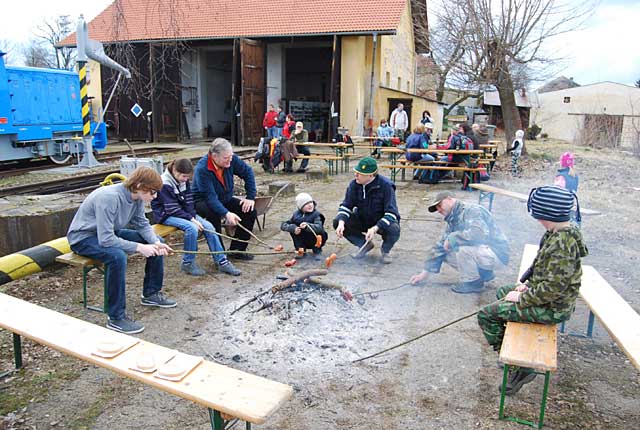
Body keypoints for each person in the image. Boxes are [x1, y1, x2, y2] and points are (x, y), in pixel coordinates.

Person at [477, 185, 587, 394]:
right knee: (503, 293)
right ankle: (515, 350)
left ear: (545, 214)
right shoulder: (558, 232)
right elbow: (546, 271)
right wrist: (526, 285)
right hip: (549, 298)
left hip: (553, 307)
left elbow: (552, 289)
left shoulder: (562, 243)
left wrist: (522, 298)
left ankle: (520, 368)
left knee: (486, 315)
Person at [67, 167, 176, 334]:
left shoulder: (137, 198)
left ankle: (151, 294)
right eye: (153, 192)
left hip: (108, 233)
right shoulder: (109, 197)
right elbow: (106, 240)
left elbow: (142, 224)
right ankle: (116, 317)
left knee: (157, 242)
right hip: (83, 238)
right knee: (117, 257)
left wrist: (154, 242)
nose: (154, 197)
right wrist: (140, 248)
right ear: (140, 185)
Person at [151, 158, 241, 277]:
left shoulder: (183, 180)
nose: (186, 180)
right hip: (166, 214)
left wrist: (193, 215)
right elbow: (172, 209)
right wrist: (192, 219)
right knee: (191, 228)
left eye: (187, 177)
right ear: (174, 170)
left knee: (209, 226)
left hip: (183, 213)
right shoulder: (165, 183)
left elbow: (189, 202)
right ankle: (187, 262)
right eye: (183, 176)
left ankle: (221, 261)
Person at [409, 191, 510, 294]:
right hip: (484, 253)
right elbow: (440, 246)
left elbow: (478, 234)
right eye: (437, 209)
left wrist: (453, 237)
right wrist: (423, 275)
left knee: (462, 249)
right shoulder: (453, 218)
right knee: (445, 251)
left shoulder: (472, 210)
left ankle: (473, 283)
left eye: (439, 205)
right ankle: (483, 273)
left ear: (449, 199)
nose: (438, 210)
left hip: (497, 253)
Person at [192, 138, 258, 260]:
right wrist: (226, 213)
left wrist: (250, 197)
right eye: (226, 158)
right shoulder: (202, 169)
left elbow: (248, 172)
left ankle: (237, 250)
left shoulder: (231, 159)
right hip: (203, 201)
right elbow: (210, 198)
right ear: (214, 156)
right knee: (213, 215)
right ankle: (220, 256)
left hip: (224, 198)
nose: (230, 160)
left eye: (231, 156)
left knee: (249, 211)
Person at [333, 157, 401, 264]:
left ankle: (385, 251)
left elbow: (392, 213)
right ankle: (364, 244)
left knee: (394, 229)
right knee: (337, 221)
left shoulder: (386, 186)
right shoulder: (354, 184)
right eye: (356, 172)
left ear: (370, 175)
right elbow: (346, 205)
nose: (356, 175)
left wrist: (375, 228)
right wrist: (341, 223)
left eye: (359, 173)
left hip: (380, 221)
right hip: (362, 218)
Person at [281, 192, 328, 259]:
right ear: (301, 207)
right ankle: (301, 250)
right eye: (306, 204)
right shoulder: (296, 215)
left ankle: (317, 250)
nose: (310, 205)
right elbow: (284, 225)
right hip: (302, 239)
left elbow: (319, 227)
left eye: (311, 202)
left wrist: (307, 226)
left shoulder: (316, 215)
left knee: (319, 233)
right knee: (294, 231)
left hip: (314, 239)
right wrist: (293, 228)